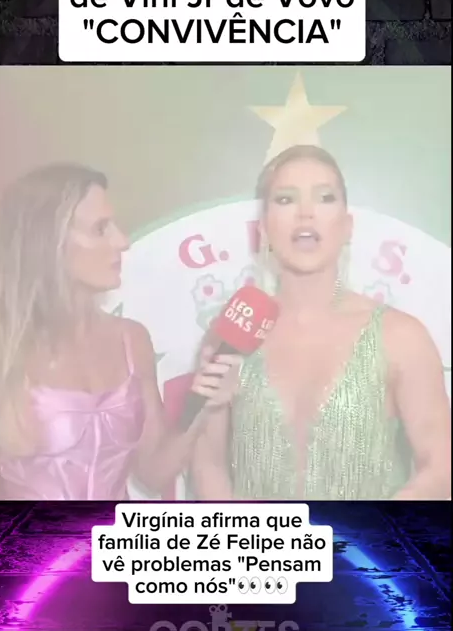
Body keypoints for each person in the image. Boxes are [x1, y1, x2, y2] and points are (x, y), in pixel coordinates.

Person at [191, 145, 451, 501]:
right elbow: (208, 462)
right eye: (285, 199)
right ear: (263, 229)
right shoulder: (232, 333)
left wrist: (368, 531)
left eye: (325, 197)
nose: (306, 213)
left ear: (347, 227)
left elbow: (441, 467)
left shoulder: (401, 337)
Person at [0, 162, 236, 500]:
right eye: (101, 229)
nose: (122, 241)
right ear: (49, 242)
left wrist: (203, 402)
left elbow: (154, 472)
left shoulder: (132, 341)